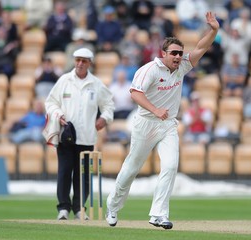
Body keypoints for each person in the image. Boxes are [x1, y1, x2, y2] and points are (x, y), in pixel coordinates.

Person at [105, 11, 219, 229]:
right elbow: (135, 93)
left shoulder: (182, 66)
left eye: (180, 53)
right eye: (174, 53)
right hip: (146, 122)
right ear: (163, 53)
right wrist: (155, 109)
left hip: (167, 125)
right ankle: (113, 206)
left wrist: (214, 29)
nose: (178, 57)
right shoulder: (149, 70)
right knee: (131, 168)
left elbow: (201, 47)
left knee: (170, 166)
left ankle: (158, 214)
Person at [44, 48, 115, 220]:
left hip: (87, 137)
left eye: (84, 61)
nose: (80, 64)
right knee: (64, 172)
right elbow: (50, 103)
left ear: (89, 63)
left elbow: (109, 105)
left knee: (83, 176)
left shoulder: (96, 84)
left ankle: (78, 209)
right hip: (66, 136)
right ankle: (63, 209)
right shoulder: (64, 80)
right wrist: (58, 115)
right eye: (78, 60)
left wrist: (104, 118)